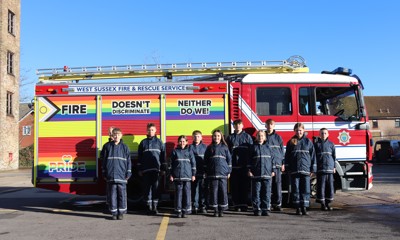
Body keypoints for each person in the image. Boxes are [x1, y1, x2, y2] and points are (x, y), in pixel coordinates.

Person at [285, 123, 316, 215]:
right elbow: (287, 156)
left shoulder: (308, 142)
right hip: (295, 170)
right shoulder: (291, 142)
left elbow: (313, 156)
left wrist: (312, 169)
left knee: (306, 189)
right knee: (296, 189)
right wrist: (288, 168)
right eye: (297, 130)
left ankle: (304, 207)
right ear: (294, 131)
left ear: (303, 130)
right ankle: (297, 207)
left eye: (300, 130)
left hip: (306, 170)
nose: (299, 132)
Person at [101, 128, 132, 220]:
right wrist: (104, 172)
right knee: (112, 195)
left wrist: (128, 172)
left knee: (122, 195)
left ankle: (121, 213)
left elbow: (128, 161)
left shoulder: (125, 147)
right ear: (112, 136)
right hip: (111, 175)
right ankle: (114, 213)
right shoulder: (107, 146)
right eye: (114, 135)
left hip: (121, 175)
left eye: (118, 135)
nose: (116, 136)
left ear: (121, 135)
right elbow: (104, 161)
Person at [137, 123, 167, 215]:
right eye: (149, 130)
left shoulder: (159, 142)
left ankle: (155, 207)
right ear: (147, 131)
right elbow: (140, 157)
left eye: (152, 130)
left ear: (156, 131)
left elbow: (163, 157)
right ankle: (148, 207)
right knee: (147, 189)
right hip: (146, 170)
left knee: (156, 189)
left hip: (156, 170)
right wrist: (139, 169)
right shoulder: (143, 142)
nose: (151, 131)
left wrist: (163, 169)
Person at [226, 119, 253, 211]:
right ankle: (236, 204)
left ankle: (244, 204)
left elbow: (251, 152)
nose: (237, 126)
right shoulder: (230, 138)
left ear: (242, 126)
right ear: (233, 126)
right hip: (234, 166)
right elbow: (227, 153)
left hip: (244, 166)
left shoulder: (247, 137)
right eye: (236, 125)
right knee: (235, 187)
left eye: (239, 124)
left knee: (244, 186)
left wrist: (250, 166)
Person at [204, 129, 232, 217]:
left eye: (218, 136)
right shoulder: (209, 147)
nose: (216, 137)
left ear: (221, 137)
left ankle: (221, 210)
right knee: (214, 192)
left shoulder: (225, 147)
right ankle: (215, 210)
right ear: (212, 137)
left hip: (223, 174)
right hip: (212, 174)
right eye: (215, 136)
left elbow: (229, 161)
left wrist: (229, 172)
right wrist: (206, 172)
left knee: (223, 192)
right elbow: (206, 161)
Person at [248, 131, 275, 216]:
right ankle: (257, 209)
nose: (260, 137)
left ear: (265, 137)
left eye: (262, 136)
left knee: (266, 192)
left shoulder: (268, 147)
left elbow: (272, 160)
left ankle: (265, 209)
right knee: (256, 192)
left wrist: (273, 170)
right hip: (256, 174)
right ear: (256, 137)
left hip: (267, 174)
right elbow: (249, 160)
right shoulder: (253, 147)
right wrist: (249, 170)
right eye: (259, 136)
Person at [169, 135, 196, 218]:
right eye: (180, 141)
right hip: (178, 176)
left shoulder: (190, 151)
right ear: (178, 142)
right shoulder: (174, 151)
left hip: (187, 177)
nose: (182, 143)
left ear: (187, 142)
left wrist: (193, 174)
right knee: (178, 195)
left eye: (184, 141)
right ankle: (178, 211)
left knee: (187, 194)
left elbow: (193, 164)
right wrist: (171, 174)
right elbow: (171, 164)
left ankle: (185, 211)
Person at [265, 119, 285, 211]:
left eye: (271, 124)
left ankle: (277, 204)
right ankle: (267, 203)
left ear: (274, 126)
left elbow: (282, 151)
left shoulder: (278, 138)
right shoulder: (263, 136)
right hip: (267, 165)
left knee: (277, 185)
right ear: (265, 125)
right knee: (267, 185)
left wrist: (283, 163)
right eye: (268, 124)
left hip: (277, 165)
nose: (269, 126)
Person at [314, 128, 336, 211]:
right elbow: (314, 157)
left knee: (329, 187)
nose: (323, 135)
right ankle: (322, 204)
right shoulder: (316, 145)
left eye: (325, 133)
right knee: (321, 187)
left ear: (328, 134)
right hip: (321, 169)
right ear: (319, 134)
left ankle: (328, 203)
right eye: (322, 133)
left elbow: (334, 156)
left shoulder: (331, 144)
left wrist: (334, 167)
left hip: (330, 169)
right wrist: (315, 168)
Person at [190, 130, 208, 214]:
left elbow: (207, 160)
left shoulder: (205, 147)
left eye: (198, 136)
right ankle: (194, 206)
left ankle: (203, 206)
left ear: (201, 137)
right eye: (195, 136)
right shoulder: (189, 147)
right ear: (192, 137)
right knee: (194, 190)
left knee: (203, 190)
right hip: (193, 173)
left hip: (202, 172)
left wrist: (206, 171)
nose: (196, 138)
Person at [100, 126, 115, 209]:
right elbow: (103, 158)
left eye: (112, 132)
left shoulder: (121, 145)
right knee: (109, 190)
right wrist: (104, 171)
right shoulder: (106, 146)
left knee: (118, 191)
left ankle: (117, 207)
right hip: (109, 172)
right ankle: (110, 206)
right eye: (109, 132)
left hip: (118, 172)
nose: (110, 134)